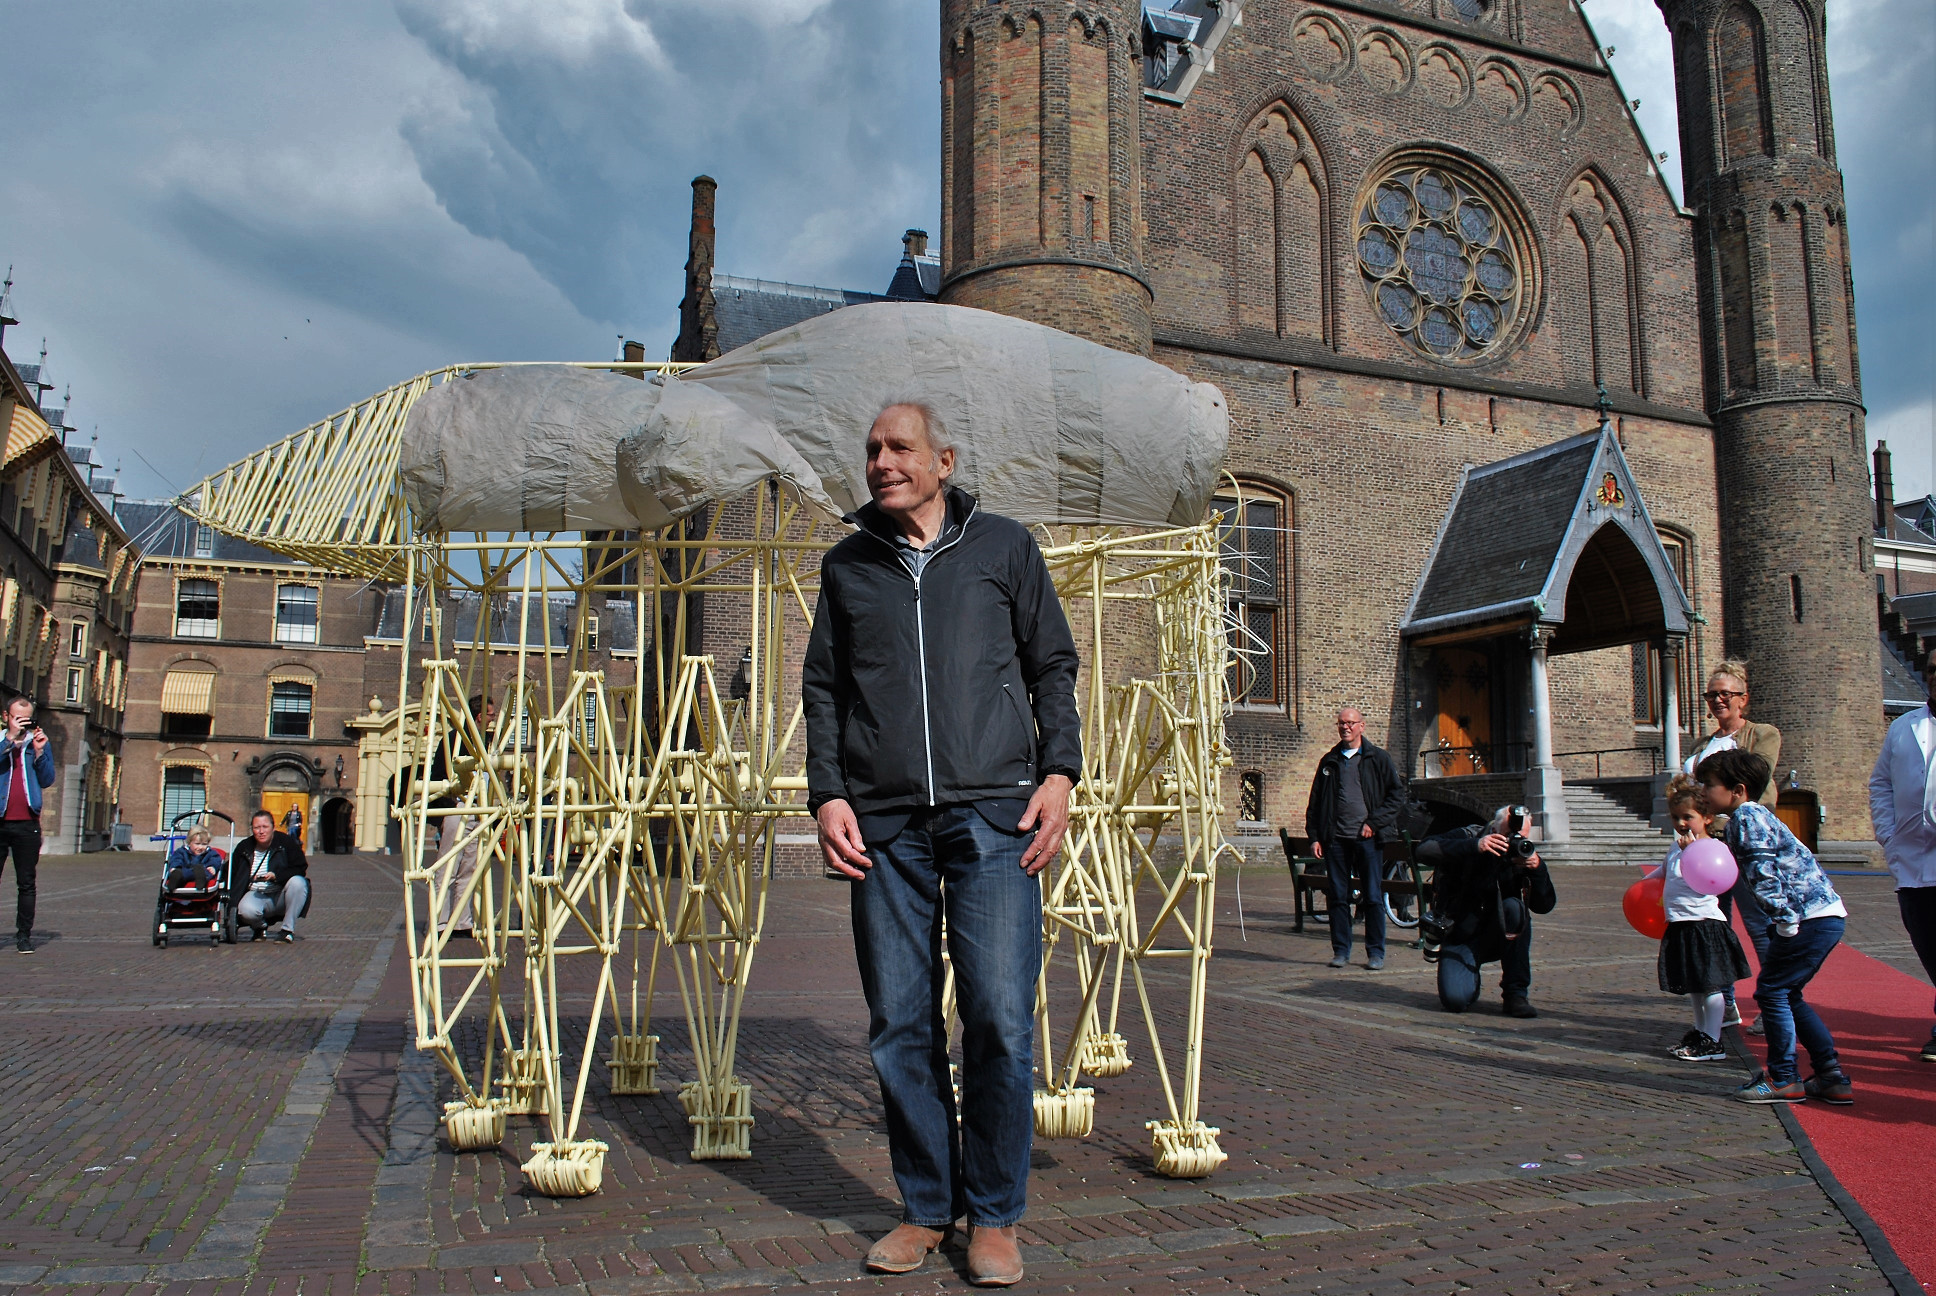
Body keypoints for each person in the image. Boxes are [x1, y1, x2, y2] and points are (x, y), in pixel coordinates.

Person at [805, 400, 1080, 1287]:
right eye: (873, 449)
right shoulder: (846, 567)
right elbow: (824, 690)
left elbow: (1052, 666)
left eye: (901, 448)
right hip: (884, 827)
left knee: (999, 1016)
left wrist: (1059, 774)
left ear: (944, 461)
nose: (883, 461)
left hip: (995, 815)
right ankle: (929, 1207)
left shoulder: (1004, 547)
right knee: (900, 1026)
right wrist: (827, 796)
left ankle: (994, 1216)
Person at [1697, 749, 1851, 1104]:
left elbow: (1764, 876)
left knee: (1772, 993)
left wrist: (1784, 922)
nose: (1703, 791)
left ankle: (1784, 1077)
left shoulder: (1747, 819)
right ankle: (1830, 1076)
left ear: (1737, 789)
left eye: (1709, 784)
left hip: (1806, 919)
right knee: (1787, 992)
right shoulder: (1753, 817)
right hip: (1822, 917)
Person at [1683, 660, 1781, 1033]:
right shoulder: (1700, 744)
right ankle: (1724, 1004)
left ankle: (1775, 1004)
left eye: (1726, 694)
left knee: (1759, 923)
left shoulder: (1762, 734)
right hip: (1703, 848)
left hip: (1742, 841)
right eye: (1712, 694)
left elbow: (1753, 778)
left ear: (1744, 699)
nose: (1719, 700)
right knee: (1712, 924)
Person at [1646, 775, 1750, 1063]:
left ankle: (1714, 1040)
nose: (1681, 823)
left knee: (1710, 985)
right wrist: (1645, 883)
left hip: (1704, 924)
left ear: (1706, 817)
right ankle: (1700, 1031)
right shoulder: (1677, 846)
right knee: (1694, 985)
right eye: (1675, 817)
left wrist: (1689, 850)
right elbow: (1665, 871)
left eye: (1688, 817)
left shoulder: (1710, 847)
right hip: (1681, 924)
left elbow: (1712, 877)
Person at [1417, 806, 1555, 1017]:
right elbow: (1424, 850)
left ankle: (1515, 995)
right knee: (1455, 1001)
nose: (1512, 842)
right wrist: (1475, 846)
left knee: (1516, 909)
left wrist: (1537, 868)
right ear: (1493, 828)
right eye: (1507, 836)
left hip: (1500, 932)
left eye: (1520, 836)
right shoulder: (1470, 835)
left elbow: (1544, 905)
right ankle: (1469, 979)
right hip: (1461, 934)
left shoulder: (1520, 854)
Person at [1866, 655, 1936, 1063]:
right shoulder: (1904, 726)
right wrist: (1888, 837)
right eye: (1932, 670)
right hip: (1911, 859)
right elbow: (1880, 783)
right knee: (1927, 943)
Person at [1303, 708, 1406, 970]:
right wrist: (1315, 837)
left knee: (1372, 896)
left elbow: (1396, 796)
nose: (1345, 727)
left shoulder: (1378, 758)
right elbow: (1315, 803)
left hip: (1368, 840)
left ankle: (1375, 953)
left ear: (1362, 726)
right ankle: (1341, 951)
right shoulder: (1330, 761)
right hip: (1336, 840)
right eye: (1341, 723)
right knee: (1337, 895)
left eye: (1350, 723)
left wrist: (1374, 822)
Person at [435, 694, 496, 940]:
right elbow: (439, 775)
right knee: (447, 868)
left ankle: (461, 922)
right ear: (481, 717)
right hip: (457, 810)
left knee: (469, 869)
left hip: (478, 812)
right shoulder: (453, 740)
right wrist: (447, 805)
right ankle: (440, 923)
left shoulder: (488, 741)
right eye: (491, 715)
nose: (493, 719)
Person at [0, 696, 56, 954]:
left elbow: (46, 780)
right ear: (5, 717)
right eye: (16, 717)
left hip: (27, 824)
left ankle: (24, 935)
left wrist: (41, 751)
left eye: (27, 718)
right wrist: (10, 738)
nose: (21, 722)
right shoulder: (2, 740)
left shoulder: (36, 743)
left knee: (26, 883)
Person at [232, 810, 311, 943]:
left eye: (265, 827)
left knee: (299, 883)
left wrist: (276, 876)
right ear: (252, 829)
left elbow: (300, 867)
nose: (261, 831)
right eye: (257, 827)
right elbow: (232, 872)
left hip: (281, 893)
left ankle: (287, 930)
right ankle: (260, 927)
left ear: (273, 828)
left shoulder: (285, 842)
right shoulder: (244, 847)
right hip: (256, 892)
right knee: (245, 910)